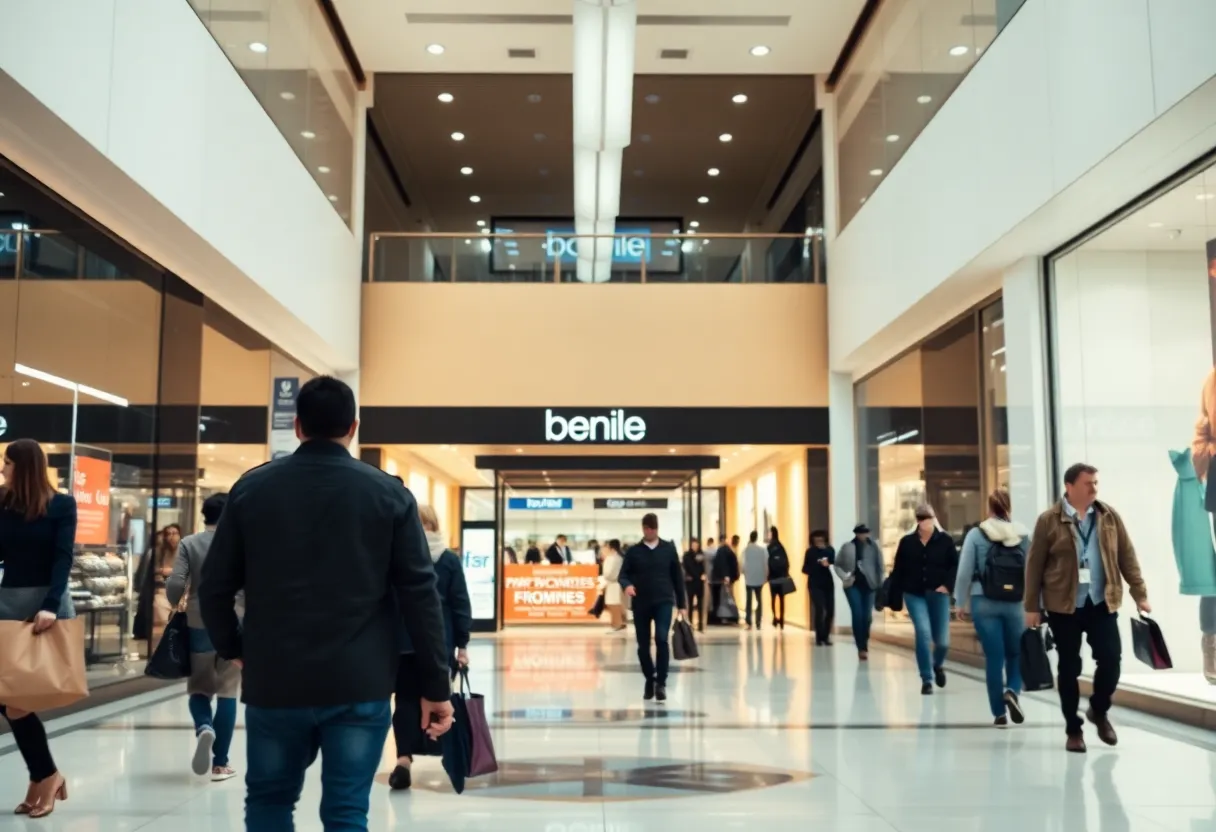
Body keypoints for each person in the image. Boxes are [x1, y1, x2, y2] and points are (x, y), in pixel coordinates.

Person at [199, 376, 454, 831]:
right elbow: (421, 596)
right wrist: (436, 686)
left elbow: (214, 587)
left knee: (269, 802)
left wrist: (235, 646)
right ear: (353, 428)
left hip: (275, 679)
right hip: (358, 683)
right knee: (346, 811)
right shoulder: (389, 495)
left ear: (297, 426)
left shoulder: (252, 490)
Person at [1025, 463, 1150, 753]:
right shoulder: (1048, 520)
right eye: (1088, 483)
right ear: (1069, 487)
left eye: (1096, 483)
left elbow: (1126, 556)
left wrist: (1139, 593)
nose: (1094, 488)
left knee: (1111, 660)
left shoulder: (1108, 517)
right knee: (1069, 667)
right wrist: (1031, 605)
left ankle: (1098, 709)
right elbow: (1034, 566)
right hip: (1063, 605)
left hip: (1100, 602)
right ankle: (1073, 730)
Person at [0, 439, 76, 818]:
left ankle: (44, 776)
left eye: (7, 463)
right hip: (7, 602)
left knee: (16, 700)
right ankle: (44, 775)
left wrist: (50, 605)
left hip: (45, 604)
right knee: (9, 697)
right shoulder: (2, 501)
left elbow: (63, 558)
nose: (2, 469)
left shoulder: (62, 504)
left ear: (24, 467)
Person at [389, 504, 472, 791]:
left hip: (401, 641)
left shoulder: (397, 555)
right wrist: (462, 644)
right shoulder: (447, 559)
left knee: (404, 700)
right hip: (438, 644)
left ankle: (403, 759)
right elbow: (460, 602)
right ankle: (435, 746)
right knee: (435, 696)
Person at [166, 493, 242, 781]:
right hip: (236, 621)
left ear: (203, 515)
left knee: (199, 684)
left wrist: (177, 603)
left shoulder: (189, 543)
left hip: (199, 620)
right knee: (227, 690)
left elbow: (176, 582)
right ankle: (220, 764)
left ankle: (203, 727)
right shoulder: (240, 542)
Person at [955, 489, 1029, 728]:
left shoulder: (977, 534)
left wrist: (959, 602)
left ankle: (998, 713)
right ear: (1009, 507)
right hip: (1016, 603)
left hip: (983, 600)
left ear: (989, 508)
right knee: (1016, 654)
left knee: (994, 658)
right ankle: (1013, 691)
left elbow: (965, 571)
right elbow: (1033, 569)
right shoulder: (1023, 533)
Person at [618, 513, 687, 702]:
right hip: (641, 603)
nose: (649, 532)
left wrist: (682, 604)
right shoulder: (634, 552)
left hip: (664, 601)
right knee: (643, 645)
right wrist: (627, 585)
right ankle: (650, 678)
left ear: (657, 529)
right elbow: (623, 575)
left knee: (662, 639)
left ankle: (661, 683)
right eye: (646, 529)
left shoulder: (668, 550)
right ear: (643, 529)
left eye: (652, 529)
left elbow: (678, 578)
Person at [891, 505, 959, 694]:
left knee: (942, 641)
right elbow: (898, 570)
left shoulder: (945, 541)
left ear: (934, 518)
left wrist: (947, 585)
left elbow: (955, 565)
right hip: (914, 593)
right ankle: (926, 679)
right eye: (921, 518)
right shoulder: (907, 542)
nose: (924, 521)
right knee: (923, 632)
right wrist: (893, 595)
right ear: (917, 520)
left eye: (927, 517)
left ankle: (937, 665)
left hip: (938, 593)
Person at [834, 524, 883, 660]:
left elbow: (880, 566)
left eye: (866, 532)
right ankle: (861, 647)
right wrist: (845, 576)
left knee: (867, 617)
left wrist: (880, 585)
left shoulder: (873, 547)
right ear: (856, 533)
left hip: (870, 585)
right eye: (861, 533)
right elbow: (837, 564)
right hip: (852, 585)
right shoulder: (847, 547)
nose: (864, 535)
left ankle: (864, 640)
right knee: (857, 614)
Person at [803, 530, 835, 646]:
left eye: (821, 539)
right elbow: (804, 569)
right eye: (816, 539)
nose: (818, 542)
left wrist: (828, 562)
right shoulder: (810, 552)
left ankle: (825, 636)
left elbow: (834, 560)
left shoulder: (829, 550)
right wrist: (816, 566)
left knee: (830, 610)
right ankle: (819, 637)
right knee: (820, 609)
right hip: (814, 584)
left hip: (827, 583)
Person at [741, 531, 768, 630]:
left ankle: (748, 621)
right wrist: (765, 576)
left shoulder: (745, 550)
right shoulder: (762, 550)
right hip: (759, 578)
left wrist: (743, 572)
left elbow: (742, 564)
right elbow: (766, 563)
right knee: (759, 600)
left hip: (749, 578)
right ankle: (758, 621)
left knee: (748, 601)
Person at [710, 534, 739, 624]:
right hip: (724, 578)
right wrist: (726, 576)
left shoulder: (721, 550)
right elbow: (725, 564)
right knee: (725, 597)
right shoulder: (725, 551)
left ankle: (718, 616)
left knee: (720, 598)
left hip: (718, 578)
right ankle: (727, 616)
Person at [767, 526, 791, 630]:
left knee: (773, 598)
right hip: (782, 577)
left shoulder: (769, 547)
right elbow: (787, 562)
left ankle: (774, 617)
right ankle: (782, 619)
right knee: (782, 599)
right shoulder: (781, 546)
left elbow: (766, 562)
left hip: (772, 577)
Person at [600, 539, 626, 632]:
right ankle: (619, 623)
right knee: (616, 603)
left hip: (613, 584)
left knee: (613, 604)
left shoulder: (612, 558)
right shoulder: (619, 557)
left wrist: (606, 578)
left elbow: (609, 573)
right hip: (616, 584)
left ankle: (617, 625)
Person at [681, 539, 707, 631]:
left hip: (699, 582)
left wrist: (703, 574)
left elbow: (703, 567)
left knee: (700, 604)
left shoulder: (701, 555)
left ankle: (700, 624)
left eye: (696, 544)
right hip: (691, 582)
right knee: (690, 604)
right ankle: (690, 623)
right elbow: (686, 567)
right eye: (693, 544)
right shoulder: (687, 555)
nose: (695, 546)